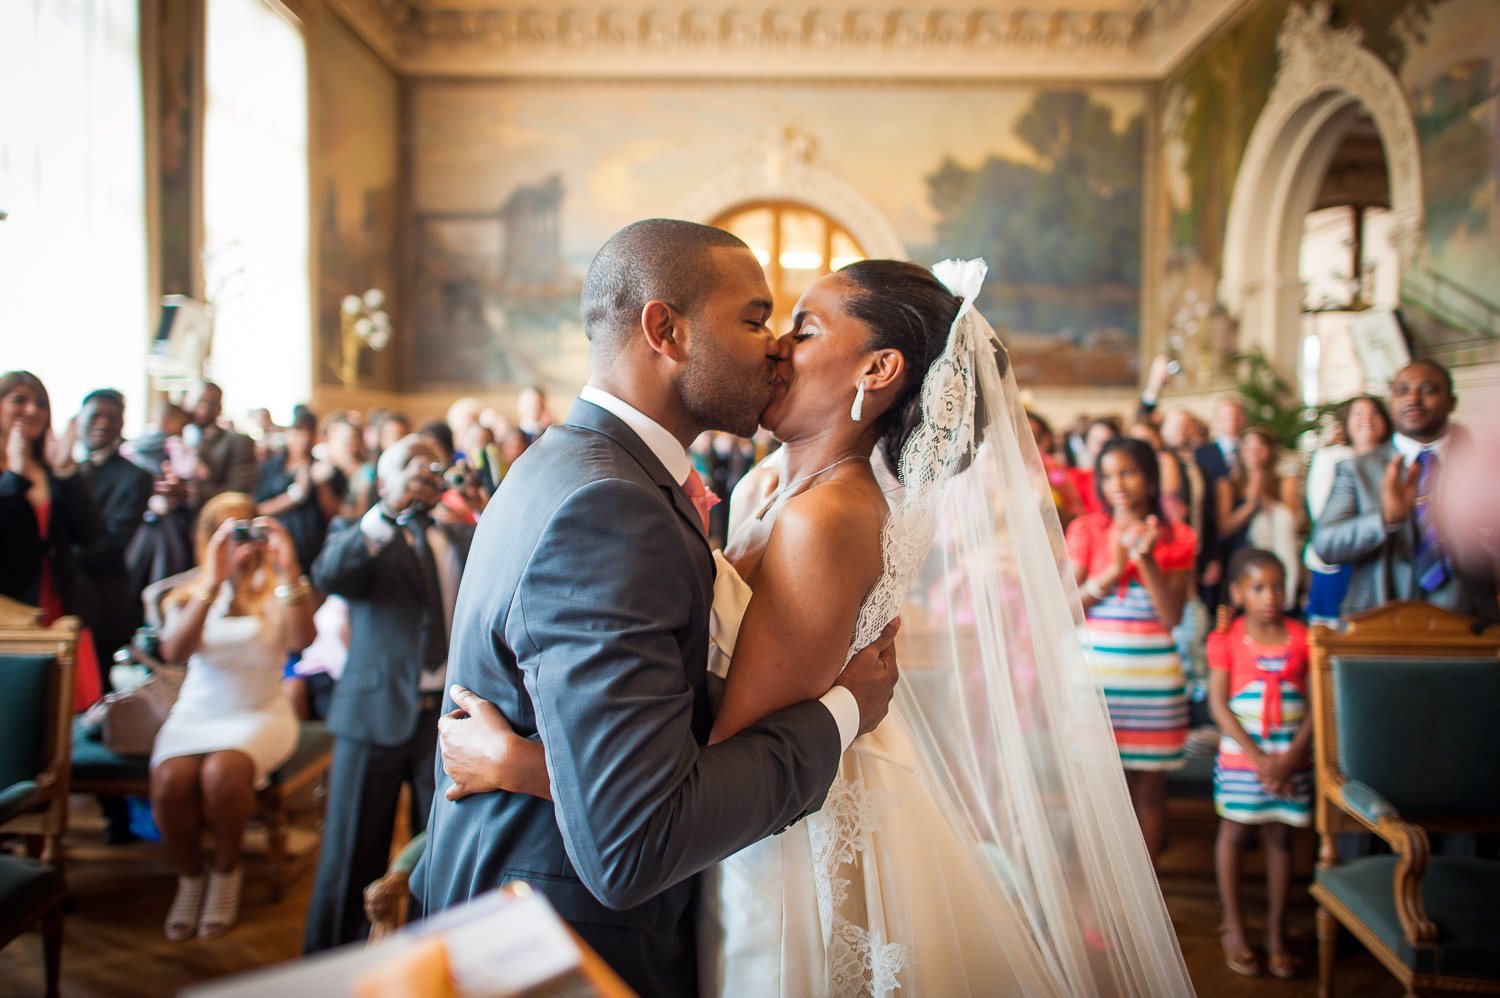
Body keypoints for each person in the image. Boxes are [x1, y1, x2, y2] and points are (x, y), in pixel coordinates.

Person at [430, 231, 1194, 997]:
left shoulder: (826, 518)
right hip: (711, 835)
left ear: (878, 369)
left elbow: (707, 769)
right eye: (765, 322)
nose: (777, 349)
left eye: (801, 328)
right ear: (667, 330)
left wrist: (520, 766)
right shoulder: (764, 487)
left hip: (774, 841)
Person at [302, 435, 473, 951]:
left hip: (447, 722)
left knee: (442, 851)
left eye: (430, 461)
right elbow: (329, 575)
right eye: (407, 463)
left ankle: (428, 958)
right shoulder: (360, 534)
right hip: (372, 715)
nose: (422, 469)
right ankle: (328, 967)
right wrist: (387, 510)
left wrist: (484, 510)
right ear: (382, 480)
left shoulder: (461, 537)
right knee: (350, 853)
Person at [151, 493, 314, 940]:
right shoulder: (186, 591)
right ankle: (190, 877)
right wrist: (214, 578)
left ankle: (226, 871)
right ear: (208, 539)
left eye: (247, 528)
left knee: (222, 774)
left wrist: (289, 567)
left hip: (260, 710)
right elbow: (175, 652)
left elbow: (302, 640)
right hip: (197, 711)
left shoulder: (278, 585)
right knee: (170, 781)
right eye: (228, 532)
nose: (240, 542)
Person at [1066, 436, 1197, 865]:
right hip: (1095, 679)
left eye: (1128, 472)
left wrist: (1146, 560)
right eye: (1107, 475)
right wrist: (1114, 568)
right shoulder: (1087, 530)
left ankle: (1147, 894)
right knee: (1095, 786)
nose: (1117, 484)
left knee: (1149, 786)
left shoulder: (1178, 536)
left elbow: (1172, 615)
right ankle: (1097, 892)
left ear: (1150, 478)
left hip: (1153, 681)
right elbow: (1067, 608)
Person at [1313, 360, 1497, 620]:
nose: (1413, 399)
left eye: (1428, 390)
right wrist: (1384, 519)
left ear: (1452, 402)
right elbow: (1325, 546)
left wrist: (1484, 521)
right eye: (1402, 391)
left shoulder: (1480, 468)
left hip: (1469, 622)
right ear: (1391, 403)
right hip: (1375, 621)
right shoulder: (1357, 469)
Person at [1208, 548, 1311, 980]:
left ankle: (1276, 930)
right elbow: (1218, 706)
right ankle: (1233, 924)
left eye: (1277, 586)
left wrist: (1287, 760)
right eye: (1258, 587)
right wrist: (1259, 760)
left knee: (1279, 839)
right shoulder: (1226, 640)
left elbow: (1317, 708)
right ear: (1237, 593)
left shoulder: (1304, 638)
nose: (1270, 595)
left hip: (1291, 759)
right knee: (1233, 834)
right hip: (1241, 761)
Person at [0, 371, 106, 711]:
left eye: (41, 404)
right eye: (19, 400)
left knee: (64, 714)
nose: (32, 410)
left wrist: (66, 472)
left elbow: (89, 534)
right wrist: (14, 479)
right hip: (10, 608)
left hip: (60, 602)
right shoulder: (13, 472)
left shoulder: (50, 466)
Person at [73, 388, 155, 692]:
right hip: (50, 597)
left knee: (95, 692)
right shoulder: (54, 466)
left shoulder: (135, 477)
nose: (103, 423)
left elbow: (114, 541)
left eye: (113, 417)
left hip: (100, 599)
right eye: (96, 415)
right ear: (78, 419)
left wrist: (51, 554)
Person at [1304, 395, 1391, 624]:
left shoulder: (1398, 458)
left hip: (1386, 561)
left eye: (1375, 413)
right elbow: (1322, 515)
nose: (1367, 419)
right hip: (1340, 559)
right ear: (1346, 422)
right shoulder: (1330, 458)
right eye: (1359, 414)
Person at [1215, 427, 1302, 611]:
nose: (1254, 451)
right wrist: (1250, 506)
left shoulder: (1285, 480)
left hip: (1277, 556)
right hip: (1242, 555)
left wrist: (1264, 499)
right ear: (1241, 452)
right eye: (1249, 446)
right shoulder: (1228, 484)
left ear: (1270, 451)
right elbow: (1224, 529)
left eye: (1260, 446)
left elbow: (1294, 521)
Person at [255, 406, 345, 573]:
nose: (304, 438)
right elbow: (258, 509)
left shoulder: (327, 469)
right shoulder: (270, 468)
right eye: (298, 431)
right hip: (276, 550)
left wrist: (320, 484)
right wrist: (295, 495)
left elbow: (335, 515)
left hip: (315, 553)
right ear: (288, 433)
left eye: (309, 431)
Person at [1195, 398, 1249, 609]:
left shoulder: (1251, 448)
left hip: (1244, 534)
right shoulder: (1202, 452)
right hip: (1215, 532)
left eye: (1236, 416)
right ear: (1216, 421)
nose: (1232, 421)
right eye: (1226, 416)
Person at [183, 382, 257, 508]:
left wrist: (189, 493)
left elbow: (238, 492)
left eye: (212, 404)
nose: (204, 409)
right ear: (186, 402)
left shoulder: (238, 442)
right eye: (199, 401)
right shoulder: (170, 437)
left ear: (220, 408)